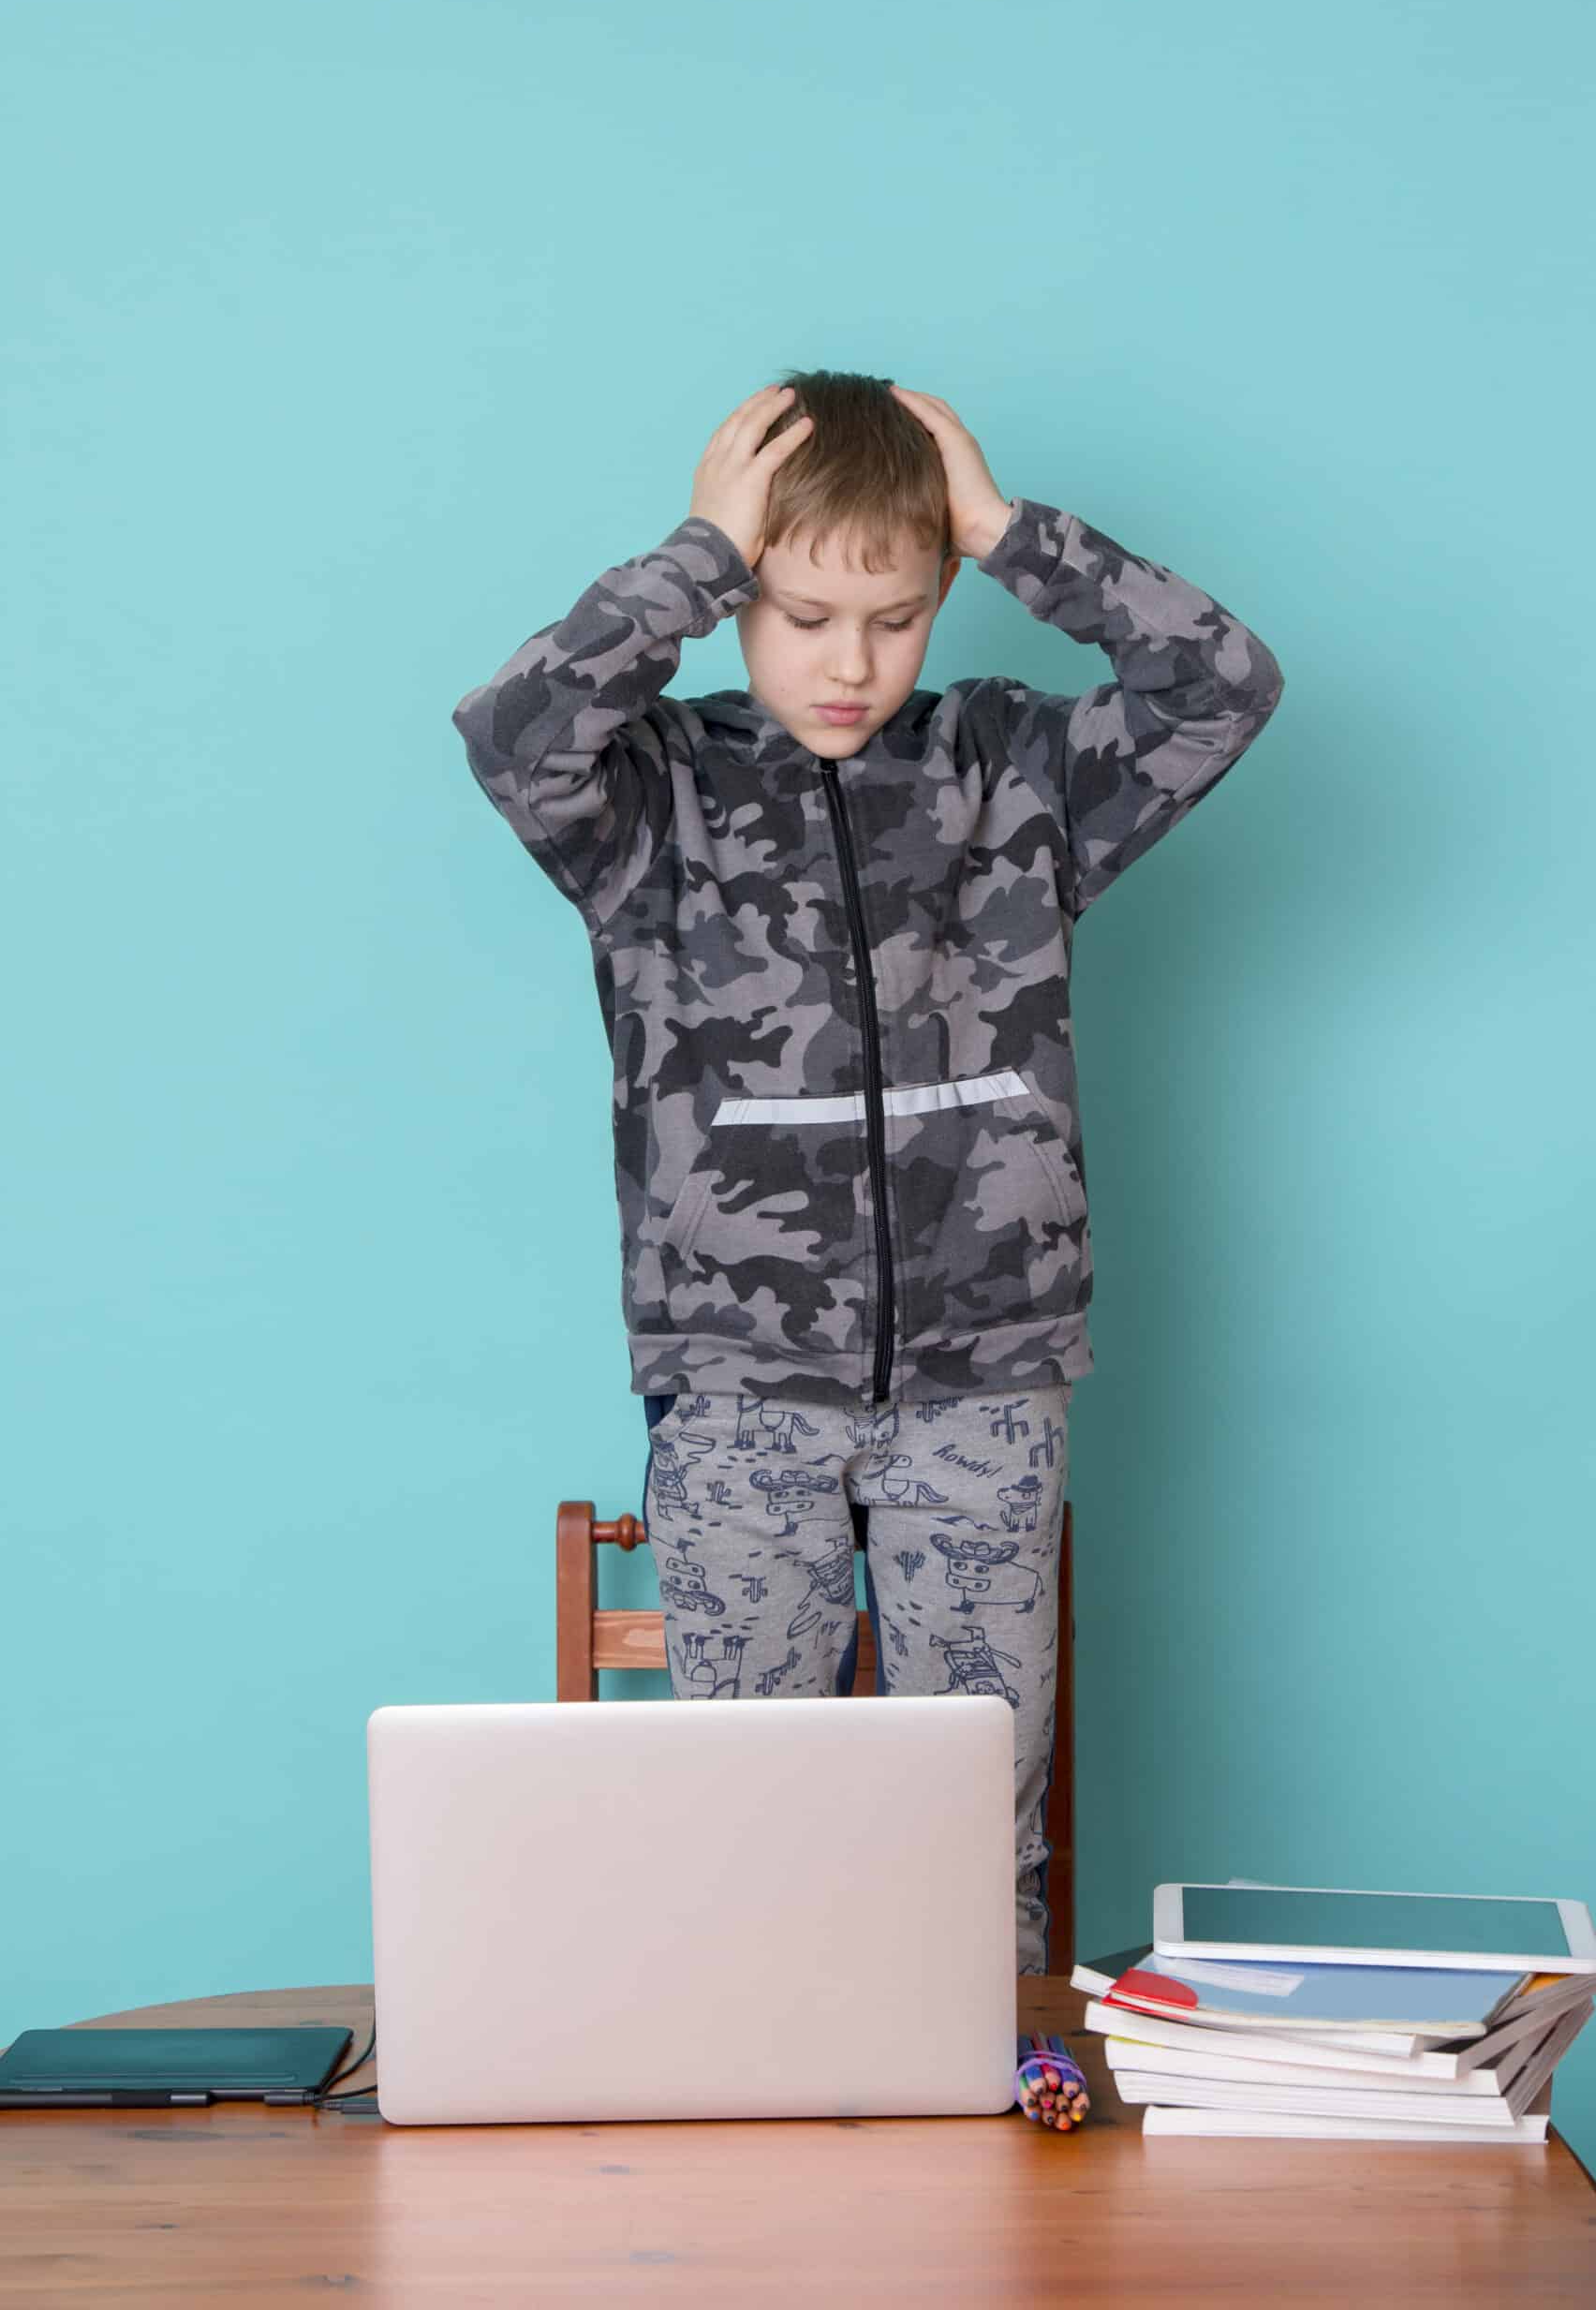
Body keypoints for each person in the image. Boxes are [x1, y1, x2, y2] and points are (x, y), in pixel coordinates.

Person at [451, 370, 1284, 1972]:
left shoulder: (1018, 772)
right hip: (738, 1383)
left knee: (973, 1831)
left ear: (946, 596)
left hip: (989, 1382)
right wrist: (697, 552)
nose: (851, 663)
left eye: (897, 616)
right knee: (749, 1819)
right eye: (804, 610)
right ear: (742, 597)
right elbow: (514, 732)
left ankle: (981, 2152)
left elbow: (1220, 686)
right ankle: (760, 2140)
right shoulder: (649, 801)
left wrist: (1008, 528)